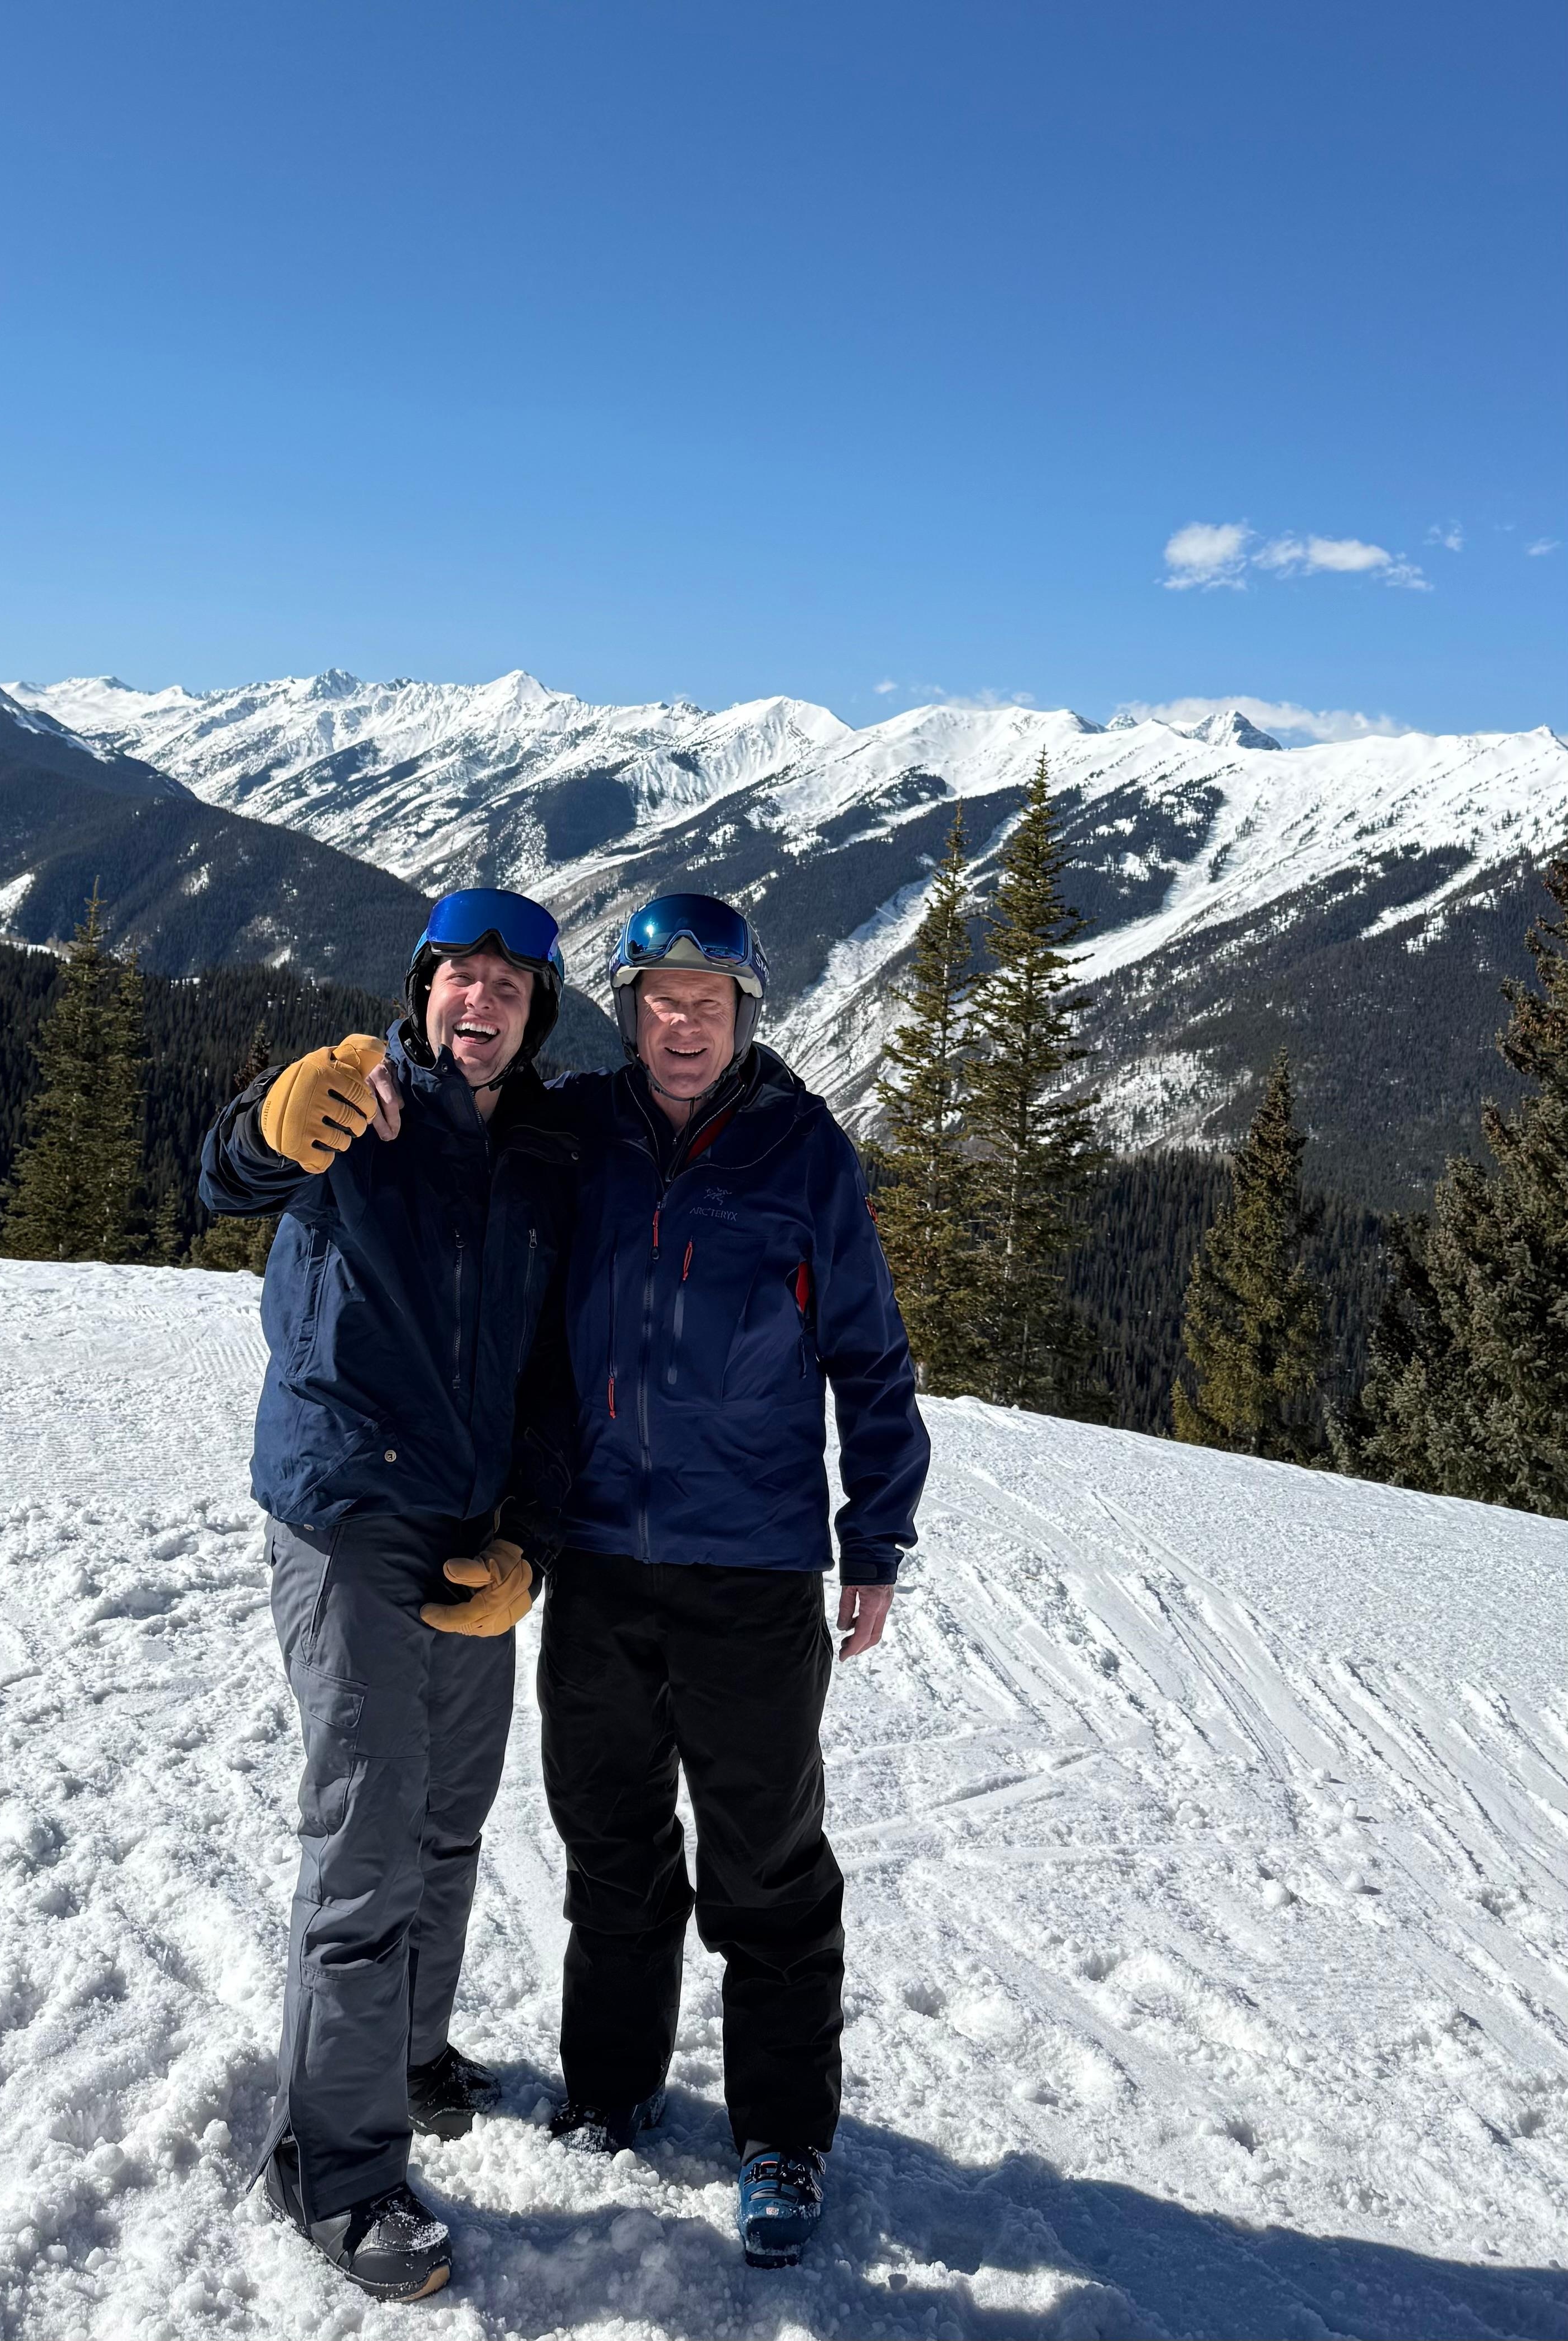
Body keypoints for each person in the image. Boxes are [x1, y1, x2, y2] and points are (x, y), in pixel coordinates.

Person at [532, 892, 929, 2270]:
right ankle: (609, 2088)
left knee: (761, 1862)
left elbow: (870, 1359)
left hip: (750, 1567)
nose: (679, 1023)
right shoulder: (577, 1128)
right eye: (654, 998)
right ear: (625, 1008)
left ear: (746, 1014)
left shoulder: (801, 1151)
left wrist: (874, 1535)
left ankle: (778, 2135)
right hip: (591, 1553)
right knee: (609, 1842)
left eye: (706, 1002)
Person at [197, 887, 577, 2304]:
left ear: (535, 1014)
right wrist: (261, 1122)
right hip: (350, 1509)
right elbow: (225, 1177)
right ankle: (335, 2164)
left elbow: (549, 1380)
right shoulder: (357, 1101)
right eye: (459, 978)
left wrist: (528, 1539)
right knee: (364, 1834)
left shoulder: (541, 1155)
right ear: (422, 990)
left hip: (471, 1527)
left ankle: (407, 2052)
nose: (480, 1003)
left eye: (510, 986)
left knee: (447, 1816)